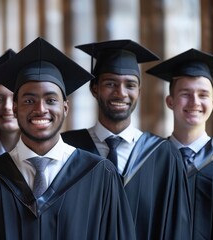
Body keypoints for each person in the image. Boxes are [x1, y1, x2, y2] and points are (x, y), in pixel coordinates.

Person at [0, 37, 136, 239]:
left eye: (50, 100)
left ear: (65, 107)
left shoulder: (100, 175)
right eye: (29, 100)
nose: (40, 109)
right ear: (15, 108)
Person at [61, 39, 191, 240]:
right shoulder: (67, 148)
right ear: (94, 88)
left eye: (130, 85)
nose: (121, 93)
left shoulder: (164, 155)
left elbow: (176, 230)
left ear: (139, 91)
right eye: (110, 83)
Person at [146, 48, 213, 239]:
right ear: (170, 101)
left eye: (203, 95)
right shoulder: (148, 158)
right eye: (185, 94)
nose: (194, 102)